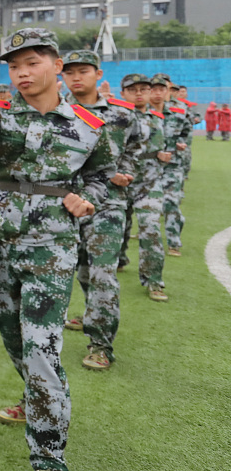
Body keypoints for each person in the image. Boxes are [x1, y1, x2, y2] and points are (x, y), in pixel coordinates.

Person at [0, 28, 112, 471]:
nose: (22, 73)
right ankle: (38, 396)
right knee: (15, 342)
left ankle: (47, 455)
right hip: (1, 246)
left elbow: (103, 173)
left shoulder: (88, 125)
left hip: (52, 250)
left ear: (57, 66)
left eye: (32, 63)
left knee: (42, 346)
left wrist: (90, 196)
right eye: (14, 66)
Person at [57, 52, 145, 371]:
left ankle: (100, 345)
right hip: (65, 202)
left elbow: (136, 146)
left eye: (83, 71)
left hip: (109, 203)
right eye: (69, 73)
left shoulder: (122, 115)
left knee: (102, 272)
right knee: (82, 269)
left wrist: (125, 170)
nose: (76, 78)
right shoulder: (54, 111)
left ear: (98, 74)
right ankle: (93, 312)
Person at [114, 74, 169, 297]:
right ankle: (119, 258)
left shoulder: (157, 118)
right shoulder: (115, 117)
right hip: (121, 183)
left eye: (143, 89)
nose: (139, 93)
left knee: (151, 229)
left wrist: (162, 154)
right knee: (120, 228)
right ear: (123, 93)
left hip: (149, 184)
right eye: (133, 89)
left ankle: (153, 280)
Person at [149, 74, 191, 258]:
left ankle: (174, 242)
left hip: (173, 165)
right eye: (154, 89)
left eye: (162, 89)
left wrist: (181, 142)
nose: (158, 93)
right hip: (148, 166)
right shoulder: (141, 113)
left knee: (171, 202)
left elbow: (186, 131)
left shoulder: (178, 113)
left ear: (168, 91)